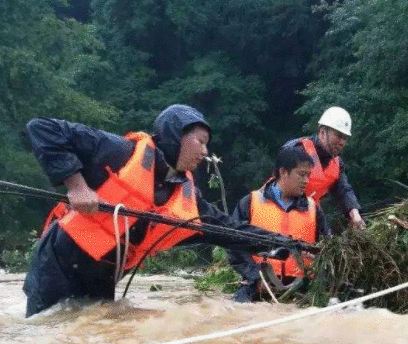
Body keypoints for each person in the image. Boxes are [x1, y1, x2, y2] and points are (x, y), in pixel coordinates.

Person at [23, 104, 300, 317]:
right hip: (57, 267)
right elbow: (42, 128)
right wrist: (77, 186)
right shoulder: (119, 152)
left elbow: (229, 230)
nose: (205, 152)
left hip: (102, 280)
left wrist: (280, 244)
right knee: (49, 337)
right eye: (200, 141)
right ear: (175, 135)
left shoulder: (189, 204)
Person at [227, 146, 330, 302]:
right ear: (283, 172)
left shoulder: (314, 210)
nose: (306, 181)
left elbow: (328, 249)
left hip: (302, 288)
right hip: (257, 286)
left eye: (308, 175)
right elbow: (233, 245)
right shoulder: (250, 202)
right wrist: (256, 277)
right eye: (301, 174)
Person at [281, 106, 366, 230]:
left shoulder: (337, 164)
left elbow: (344, 190)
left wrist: (355, 215)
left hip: (307, 220)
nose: (342, 142)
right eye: (339, 135)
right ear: (322, 132)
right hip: (280, 215)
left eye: (345, 138)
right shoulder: (297, 150)